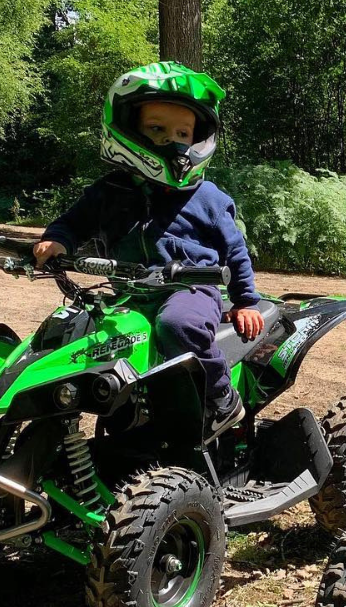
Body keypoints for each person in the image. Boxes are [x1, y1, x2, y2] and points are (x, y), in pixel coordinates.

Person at [33, 61, 264, 442]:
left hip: (189, 291)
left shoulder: (208, 197)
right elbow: (73, 222)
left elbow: (235, 251)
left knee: (179, 326)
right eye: (156, 129)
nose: (171, 141)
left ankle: (221, 396)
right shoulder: (110, 191)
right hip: (129, 293)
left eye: (182, 132)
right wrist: (57, 240)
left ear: (197, 139)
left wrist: (245, 301)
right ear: (129, 129)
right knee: (77, 337)